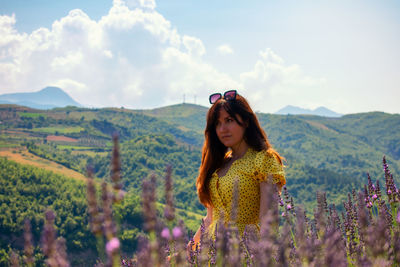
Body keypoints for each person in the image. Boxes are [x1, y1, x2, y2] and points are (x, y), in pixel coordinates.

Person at [190, 90, 286, 248]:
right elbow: (209, 219)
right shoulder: (218, 165)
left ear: (246, 121)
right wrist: (188, 251)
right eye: (218, 123)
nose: (223, 129)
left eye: (229, 120)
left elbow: (268, 221)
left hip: (244, 253)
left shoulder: (263, 160)